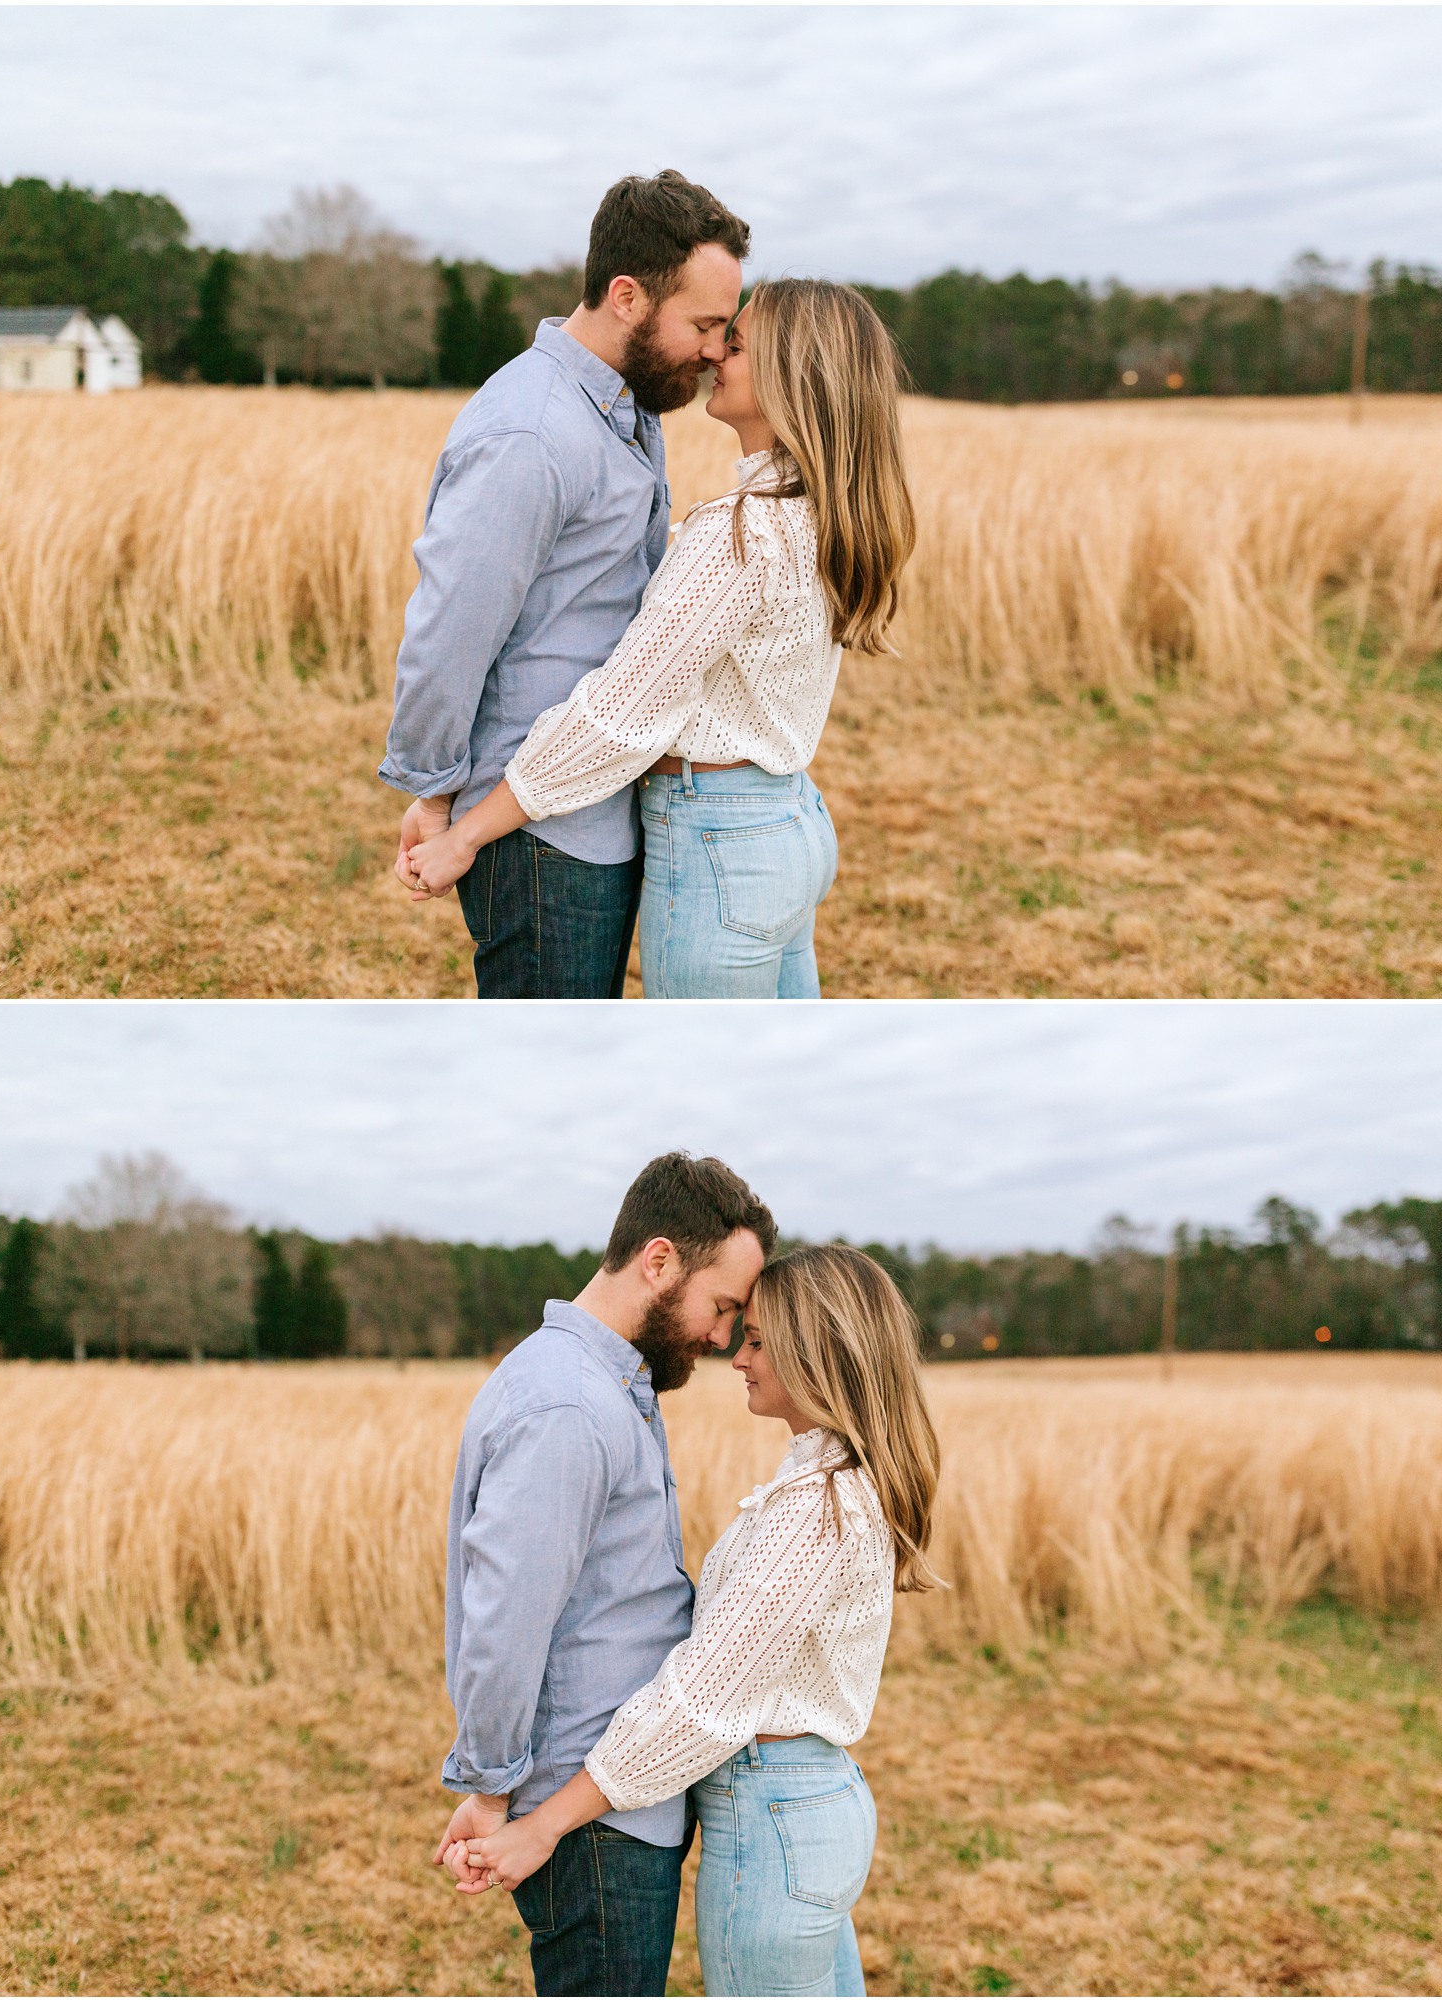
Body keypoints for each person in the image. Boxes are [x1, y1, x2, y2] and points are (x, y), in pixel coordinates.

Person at [443, 1242, 942, 1999]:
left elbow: (700, 1706)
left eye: (759, 1340)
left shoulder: (817, 1507)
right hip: (801, 1807)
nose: (735, 1355)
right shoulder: (819, 1479)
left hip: (775, 1817)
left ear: (819, 1351)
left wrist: (543, 1823)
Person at [405, 280, 917, 1000]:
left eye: (735, 344)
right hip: (790, 821)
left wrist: (465, 832)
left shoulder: (740, 533)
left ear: (792, 380)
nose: (714, 356)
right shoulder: (817, 515)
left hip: (721, 844)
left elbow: (618, 717)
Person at [380, 170, 750, 998]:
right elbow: (449, 627)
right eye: (705, 324)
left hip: (593, 811)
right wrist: (435, 799)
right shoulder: (532, 433)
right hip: (540, 837)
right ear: (627, 296)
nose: (717, 351)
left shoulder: (628, 407)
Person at [432, 1152, 777, 1997]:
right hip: (591, 1826)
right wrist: (487, 1789)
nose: (723, 1337)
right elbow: (506, 1618)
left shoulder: (608, 1387)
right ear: (658, 1262)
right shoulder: (568, 1405)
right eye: (722, 1305)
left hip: (614, 1810)